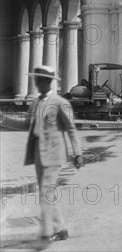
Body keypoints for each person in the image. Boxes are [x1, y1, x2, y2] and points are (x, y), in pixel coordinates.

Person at [0, 65, 83, 247]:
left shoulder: (61, 103)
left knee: (46, 192)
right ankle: (60, 228)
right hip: (38, 153)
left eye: (38, 80)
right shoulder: (36, 102)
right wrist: (3, 119)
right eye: (35, 80)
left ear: (47, 81)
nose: (36, 84)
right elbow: (26, 125)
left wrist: (77, 153)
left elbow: (71, 129)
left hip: (55, 154)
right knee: (47, 193)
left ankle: (46, 234)